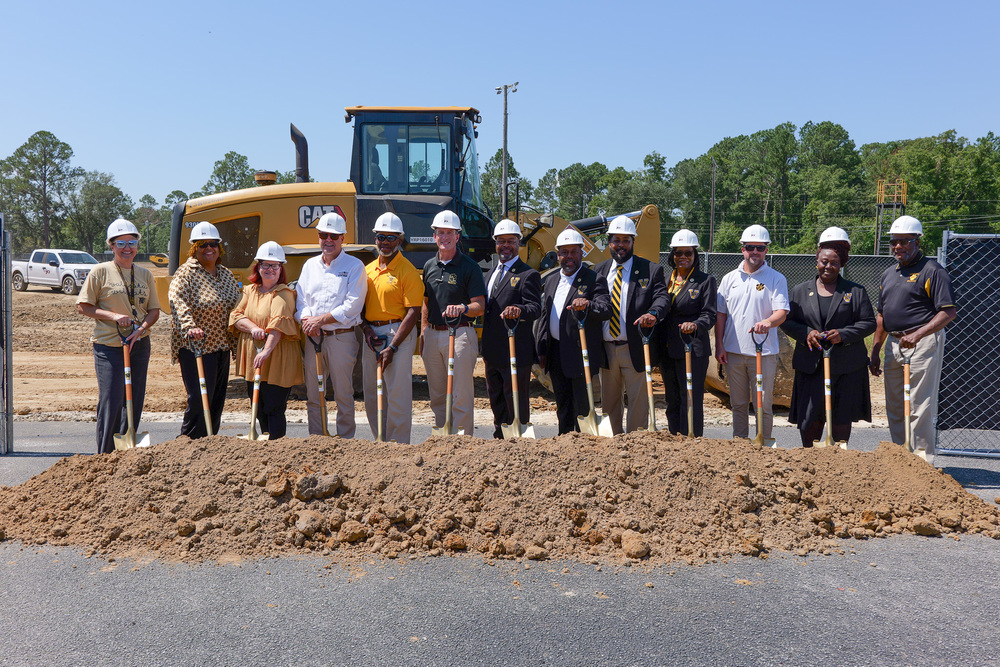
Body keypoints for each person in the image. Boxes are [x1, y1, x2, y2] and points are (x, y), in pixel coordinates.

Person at [869, 215, 956, 460]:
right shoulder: (888, 273)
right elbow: (881, 316)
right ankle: (901, 457)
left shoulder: (932, 271)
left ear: (917, 241)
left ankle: (922, 460)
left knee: (920, 404)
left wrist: (917, 335)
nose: (898, 246)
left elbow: (948, 312)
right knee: (895, 405)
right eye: (894, 242)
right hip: (894, 344)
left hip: (922, 342)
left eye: (904, 241)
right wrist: (875, 350)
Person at [780, 228, 876, 447]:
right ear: (817, 260)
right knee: (810, 417)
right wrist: (806, 333)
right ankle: (811, 460)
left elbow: (868, 322)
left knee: (841, 416)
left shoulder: (855, 291)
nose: (828, 267)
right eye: (824, 262)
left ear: (841, 264)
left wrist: (842, 334)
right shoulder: (800, 291)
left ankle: (837, 461)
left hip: (846, 366)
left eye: (834, 263)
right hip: (811, 364)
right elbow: (787, 320)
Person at [77, 218, 160, 454]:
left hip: (139, 344)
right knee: (112, 400)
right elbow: (83, 306)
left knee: (134, 399)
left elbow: (154, 310)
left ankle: (127, 450)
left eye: (132, 243)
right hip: (109, 347)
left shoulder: (145, 274)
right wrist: (114, 316)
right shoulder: (100, 271)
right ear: (111, 246)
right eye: (121, 243)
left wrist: (141, 329)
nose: (127, 248)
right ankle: (105, 454)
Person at [295, 212, 367, 438]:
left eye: (333, 236)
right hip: (313, 338)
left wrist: (322, 320)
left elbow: (352, 305)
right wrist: (308, 321)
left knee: (344, 393)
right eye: (323, 235)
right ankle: (318, 439)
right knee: (314, 394)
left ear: (343, 238)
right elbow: (301, 300)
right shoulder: (309, 266)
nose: (328, 240)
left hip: (341, 339)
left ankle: (345, 441)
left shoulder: (355, 266)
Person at [594, 215, 668, 433]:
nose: (621, 245)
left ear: (633, 242)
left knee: (638, 402)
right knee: (609, 404)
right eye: (616, 240)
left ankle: (636, 447)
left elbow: (662, 297)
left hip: (635, 346)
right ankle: (613, 445)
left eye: (626, 240)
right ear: (609, 242)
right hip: (606, 349)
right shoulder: (599, 270)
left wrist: (653, 313)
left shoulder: (650, 270)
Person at [715, 224, 790, 440]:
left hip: (764, 353)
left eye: (760, 247)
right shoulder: (729, 279)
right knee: (738, 404)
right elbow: (721, 315)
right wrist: (720, 346)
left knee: (762, 404)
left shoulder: (776, 278)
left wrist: (767, 321)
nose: (755, 252)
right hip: (733, 352)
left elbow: (781, 312)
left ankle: (763, 444)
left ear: (766, 250)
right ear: (743, 250)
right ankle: (740, 445)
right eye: (750, 247)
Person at [168, 221, 241, 439]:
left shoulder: (226, 274)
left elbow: (237, 305)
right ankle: (188, 441)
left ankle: (209, 442)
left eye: (213, 244)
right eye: (202, 245)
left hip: (221, 346)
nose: (209, 248)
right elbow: (176, 300)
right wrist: (190, 327)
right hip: (196, 346)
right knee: (200, 398)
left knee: (217, 399)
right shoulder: (186, 273)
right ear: (195, 248)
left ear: (219, 248)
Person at [535, 228, 612, 434]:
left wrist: (588, 304)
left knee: (582, 406)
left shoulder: (594, 279)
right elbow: (545, 315)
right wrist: (542, 348)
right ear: (558, 254)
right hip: (556, 353)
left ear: (581, 253)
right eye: (564, 252)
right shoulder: (551, 280)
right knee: (563, 405)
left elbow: (606, 309)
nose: (569, 257)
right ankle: (564, 442)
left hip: (581, 354)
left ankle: (584, 446)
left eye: (574, 252)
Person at [421, 210, 487, 435]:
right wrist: (423, 333)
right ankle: (442, 441)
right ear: (434, 236)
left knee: (460, 394)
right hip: (433, 335)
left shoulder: (470, 267)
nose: (445, 237)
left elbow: (480, 305)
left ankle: (461, 444)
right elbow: (425, 302)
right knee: (438, 396)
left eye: (450, 232)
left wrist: (464, 308)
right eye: (441, 232)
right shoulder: (429, 266)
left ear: (458, 236)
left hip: (460, 335)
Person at [229, 242, 303, 440]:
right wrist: (253, 328)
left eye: (275, 266)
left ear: (281, 269)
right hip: (256, 356)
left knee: (273, 406)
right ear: (258, 267)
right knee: (258, 406)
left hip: (277, 357)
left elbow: (278, 324)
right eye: (265, 265)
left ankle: (277, 445)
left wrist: (266, 351)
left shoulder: (284, 293)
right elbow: (236, 315)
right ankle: (264, 441)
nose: (270, 270)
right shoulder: (249, 291)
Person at [360, 213, 423, 443]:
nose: (384, 242)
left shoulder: (407, 271)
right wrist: (366, 330)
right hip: (371, 336)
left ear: (399, 240)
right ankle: (380, 443)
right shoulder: (366, 271)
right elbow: (359, 307)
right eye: (380, 237)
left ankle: (398, 447)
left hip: (398, 334)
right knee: (372, 394)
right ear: (375, 238)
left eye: (390, 237)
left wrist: (394, 346)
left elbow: (413, 311)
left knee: (397, 395)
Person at [481, 219, 542, 438]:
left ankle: (518, 438)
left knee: (515, 397)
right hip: (492, 349)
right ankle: (500, 436)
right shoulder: (489, 274)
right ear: (495, 244)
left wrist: (518, 309)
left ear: (519, 244)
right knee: (495, 396)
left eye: (511, 241)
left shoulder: (528, 275)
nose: (506, 245)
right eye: (501, 241)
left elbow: (535, 308)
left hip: (516, 349)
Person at [657, 229, 717, 437]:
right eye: (678, 253)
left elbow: (709, 315)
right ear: (672, 256)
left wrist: (696, 324)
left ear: (695, 255)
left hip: (692, 348)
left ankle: (692, 440)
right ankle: (674, 438)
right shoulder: (665, 280)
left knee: (690, 397)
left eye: (687, 253)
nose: (682, 257)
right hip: (667, 349)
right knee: (672, 398)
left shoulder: (705, 281)